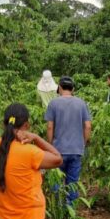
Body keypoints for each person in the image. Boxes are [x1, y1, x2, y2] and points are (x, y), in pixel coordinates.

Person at [44, 76, 92, 205]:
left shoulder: (53, 103)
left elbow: (50, 126)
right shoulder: (82, 103)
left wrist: (50, 145)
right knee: (73, 183)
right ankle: (70, 212)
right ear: (73, 89)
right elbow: (87, 126)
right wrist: (83, 142)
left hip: (58, 149)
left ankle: (59, 209)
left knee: (57, 182)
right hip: (76, 150)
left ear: (59, 88)